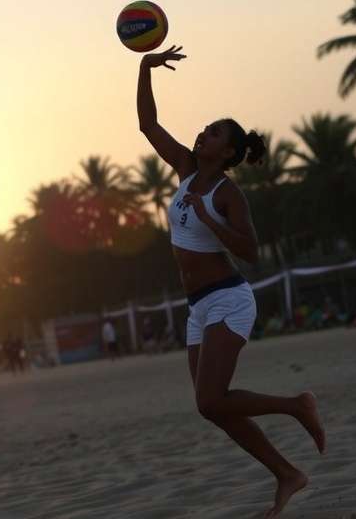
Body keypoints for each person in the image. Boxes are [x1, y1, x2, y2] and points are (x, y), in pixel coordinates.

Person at [137, 46, 325, 519]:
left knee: (212, 399)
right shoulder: (184, 170)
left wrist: (208, 217)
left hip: (229, 299)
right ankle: (287, 474)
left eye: (214, 132)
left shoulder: (227, 193)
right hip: (198, 306)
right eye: (205, 129)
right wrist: (144, 68)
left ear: (228, 152)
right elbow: (147, 125)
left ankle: (297, 405)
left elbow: (250, 250)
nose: (203, 133)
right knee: (210, 407)